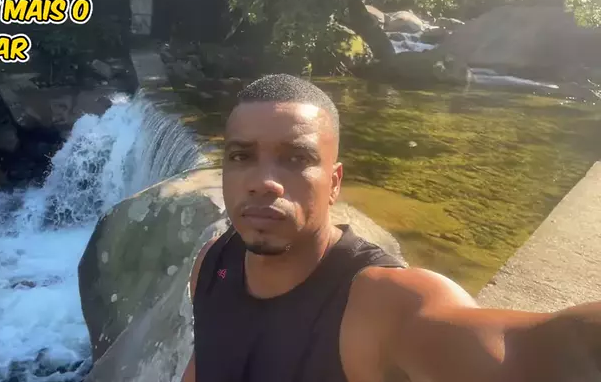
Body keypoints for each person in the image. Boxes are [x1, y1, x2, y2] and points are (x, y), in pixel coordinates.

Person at [181, 74, 601, 382]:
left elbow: (550, 348)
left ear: (335, 183)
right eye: (241, 157)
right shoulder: (213, 264)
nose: (263, 181)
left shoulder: (378, 305)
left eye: (295, 159)